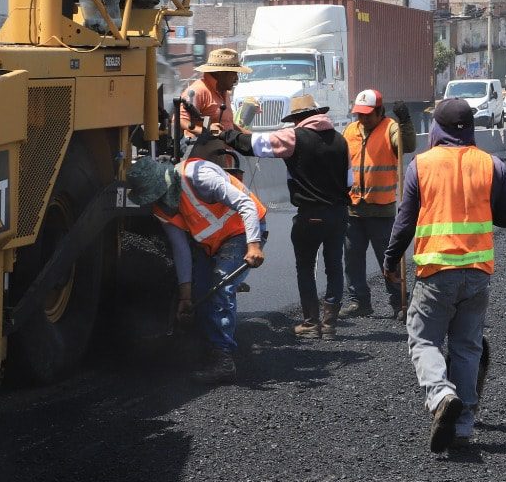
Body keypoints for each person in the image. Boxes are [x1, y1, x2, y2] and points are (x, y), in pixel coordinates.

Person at [383, 98, 506, 452]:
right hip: (477, 272)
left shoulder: (421, 165)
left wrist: (390, 259)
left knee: (424, 339)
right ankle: (463, 426)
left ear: (438, 129)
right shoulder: (492, 165)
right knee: (467, 345)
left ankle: (441, 395)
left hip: (435, 270)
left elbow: (405, 221)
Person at [127, 150, 265, 380]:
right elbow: (181, 250)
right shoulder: (161, 209)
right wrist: (185, 297)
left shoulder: (199, 177)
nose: (159, 201)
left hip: (241, 232)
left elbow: (246, 204)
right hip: (210, 244)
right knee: (202, 292)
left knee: (220, 286)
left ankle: (224, 360)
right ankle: (207, 349)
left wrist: (254, 245)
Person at [233, 93, 352, 339]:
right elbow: (349, 181)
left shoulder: (294, 137)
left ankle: (310, 324)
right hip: (339, 214)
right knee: (334, 266)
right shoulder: (341, 140)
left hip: (310, 215)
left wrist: (228, 135)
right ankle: (330, 325)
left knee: (306, 268)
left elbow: (256, 145)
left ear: (300, 118)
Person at [341, 88, 417, 319]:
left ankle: (400, 303)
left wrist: (405, 121)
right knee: (352, 259)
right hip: (353, 208)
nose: (362, 119)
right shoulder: (350, 131)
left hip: (382, 209)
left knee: (389, 259)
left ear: (379, 111)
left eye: (367, 114)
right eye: (359, 114)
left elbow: (407, 145)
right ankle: (359, 302)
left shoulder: (391, 128)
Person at [179, 47, 245, 139]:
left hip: (225, 152)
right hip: (205, 152)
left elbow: (228, 125)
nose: (236, 79)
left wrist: (254, 138)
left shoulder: (223, 91)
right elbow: (180, 121)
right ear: (221, 73)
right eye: (234, 73)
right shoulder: (197, 91)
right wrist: (206, 131)